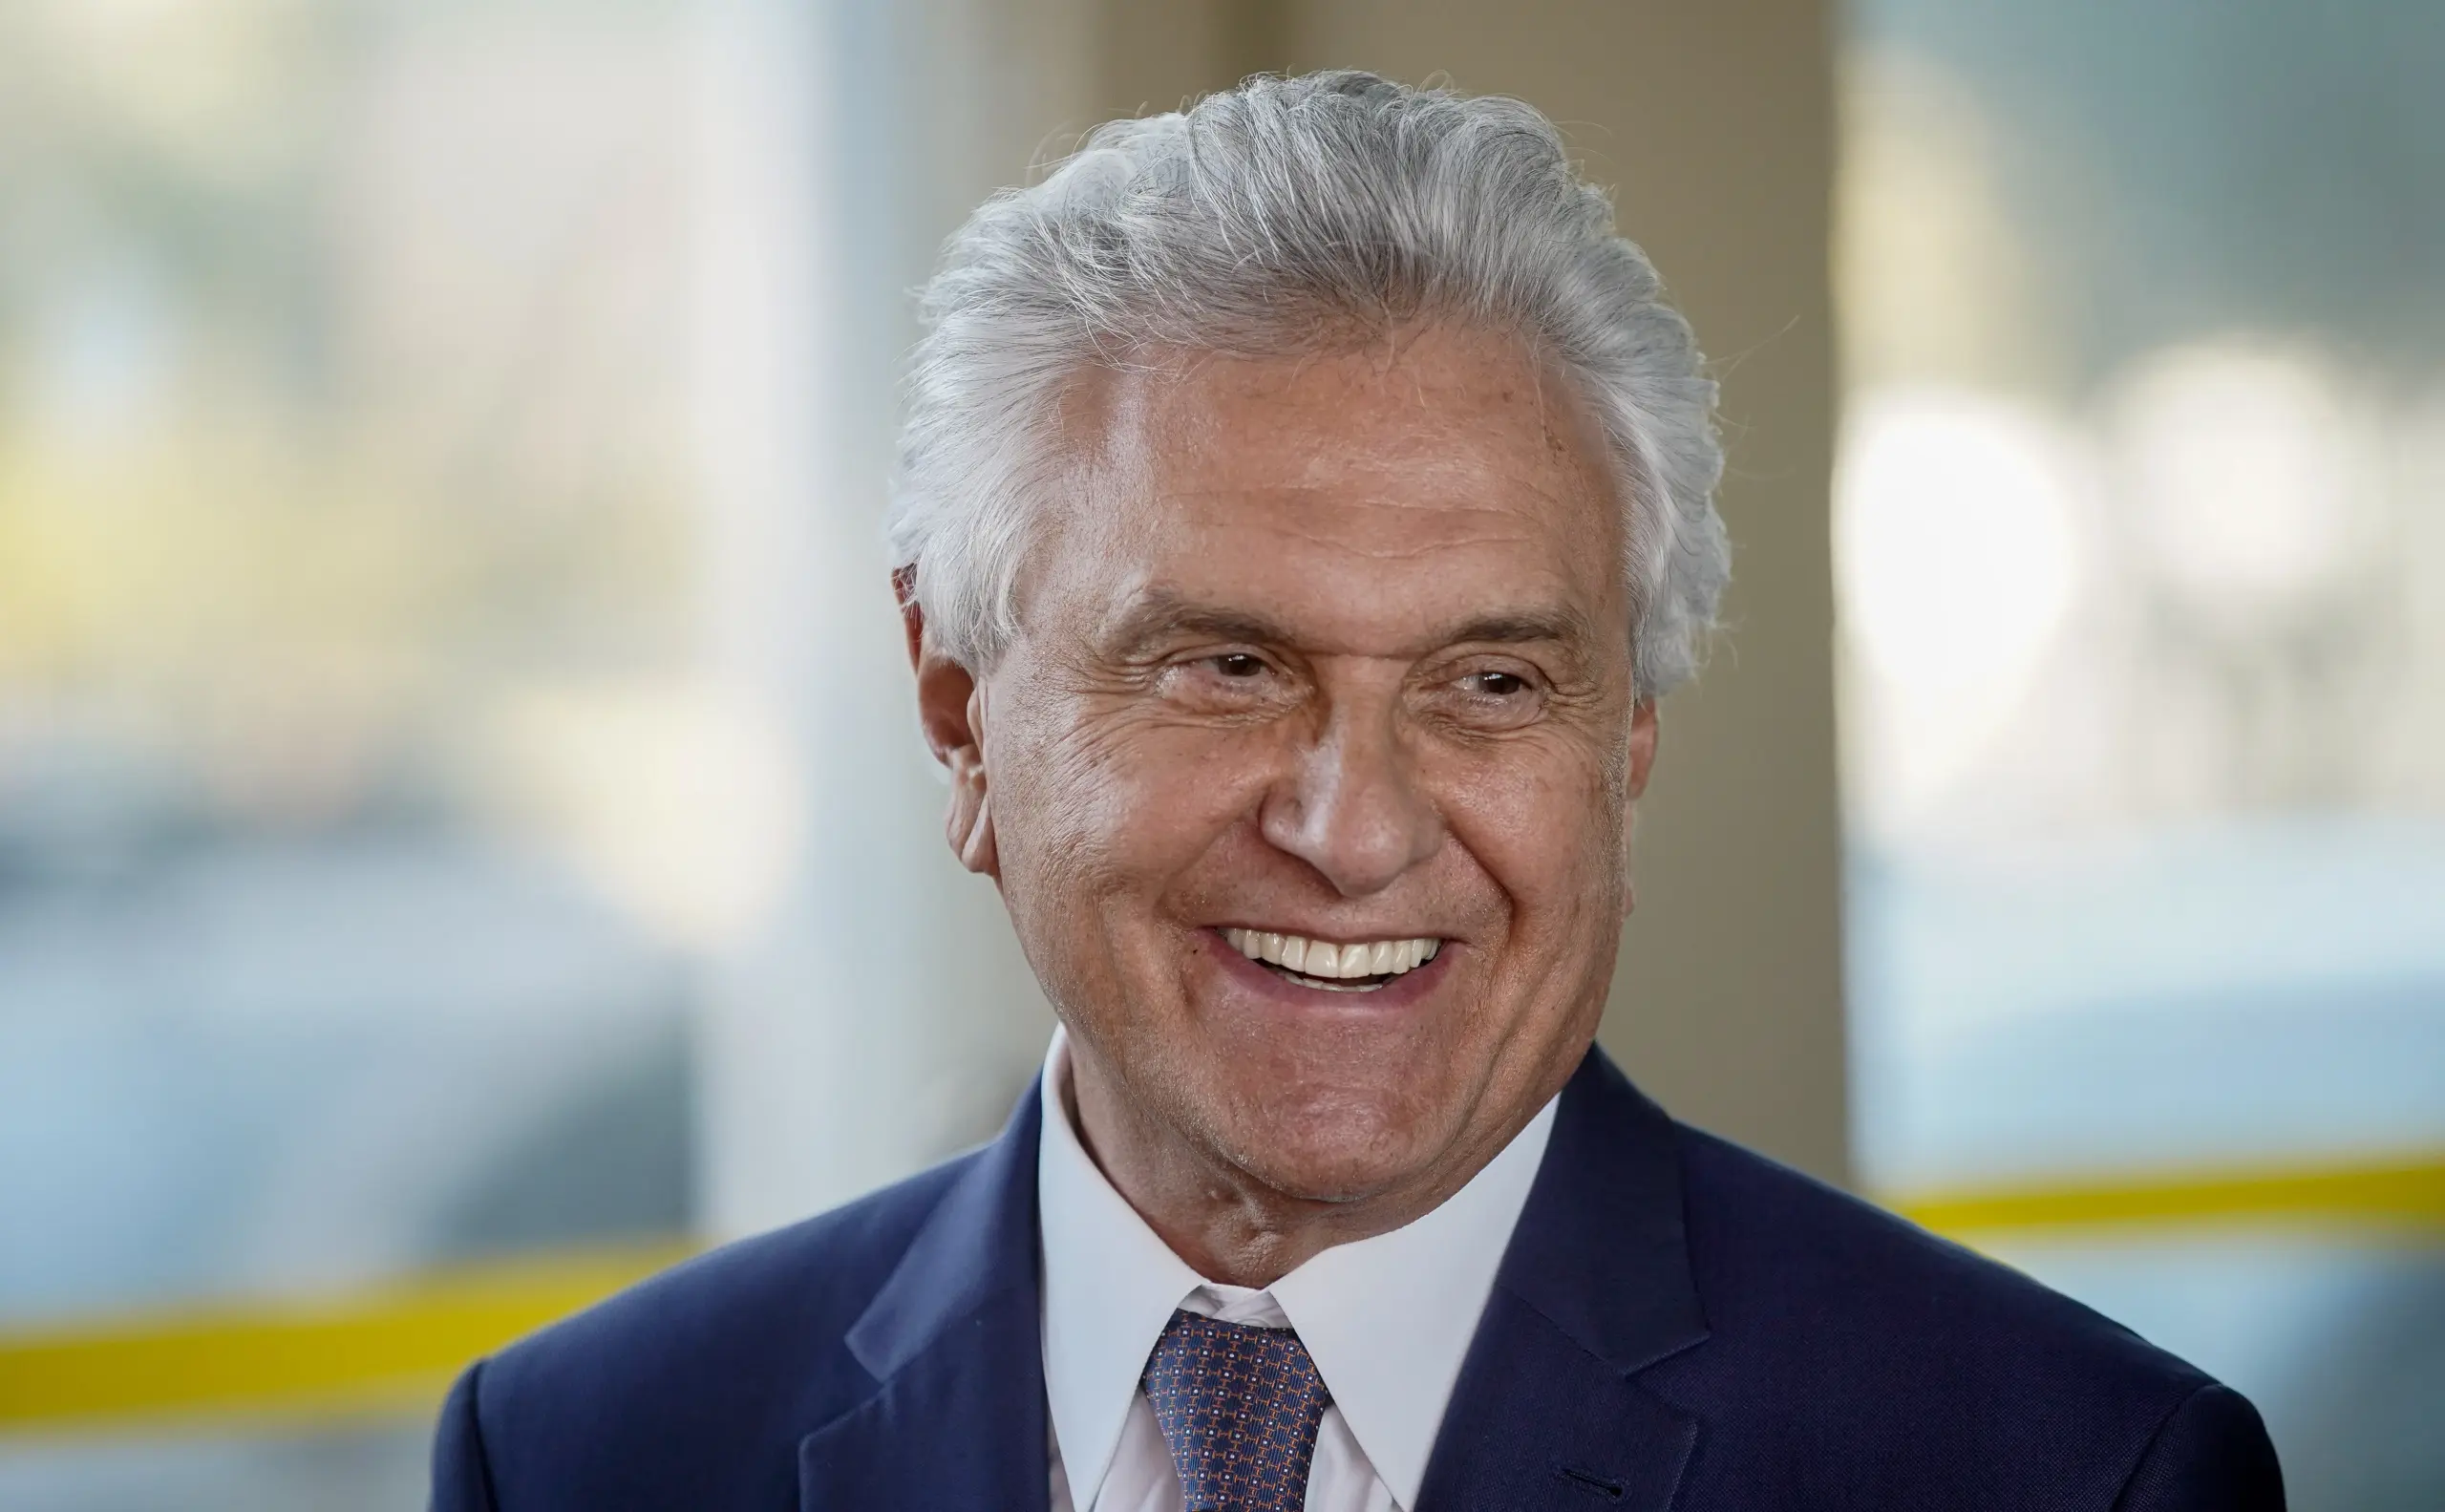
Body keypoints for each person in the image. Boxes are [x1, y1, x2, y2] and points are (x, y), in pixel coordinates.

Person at [429, 72, 2284, 1511]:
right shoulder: (589, 1452)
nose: (1354, 828)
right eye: (1227, 666)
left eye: (1491, 684)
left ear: (1625, 745)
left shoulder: (2064, 1472)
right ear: (957, 712)